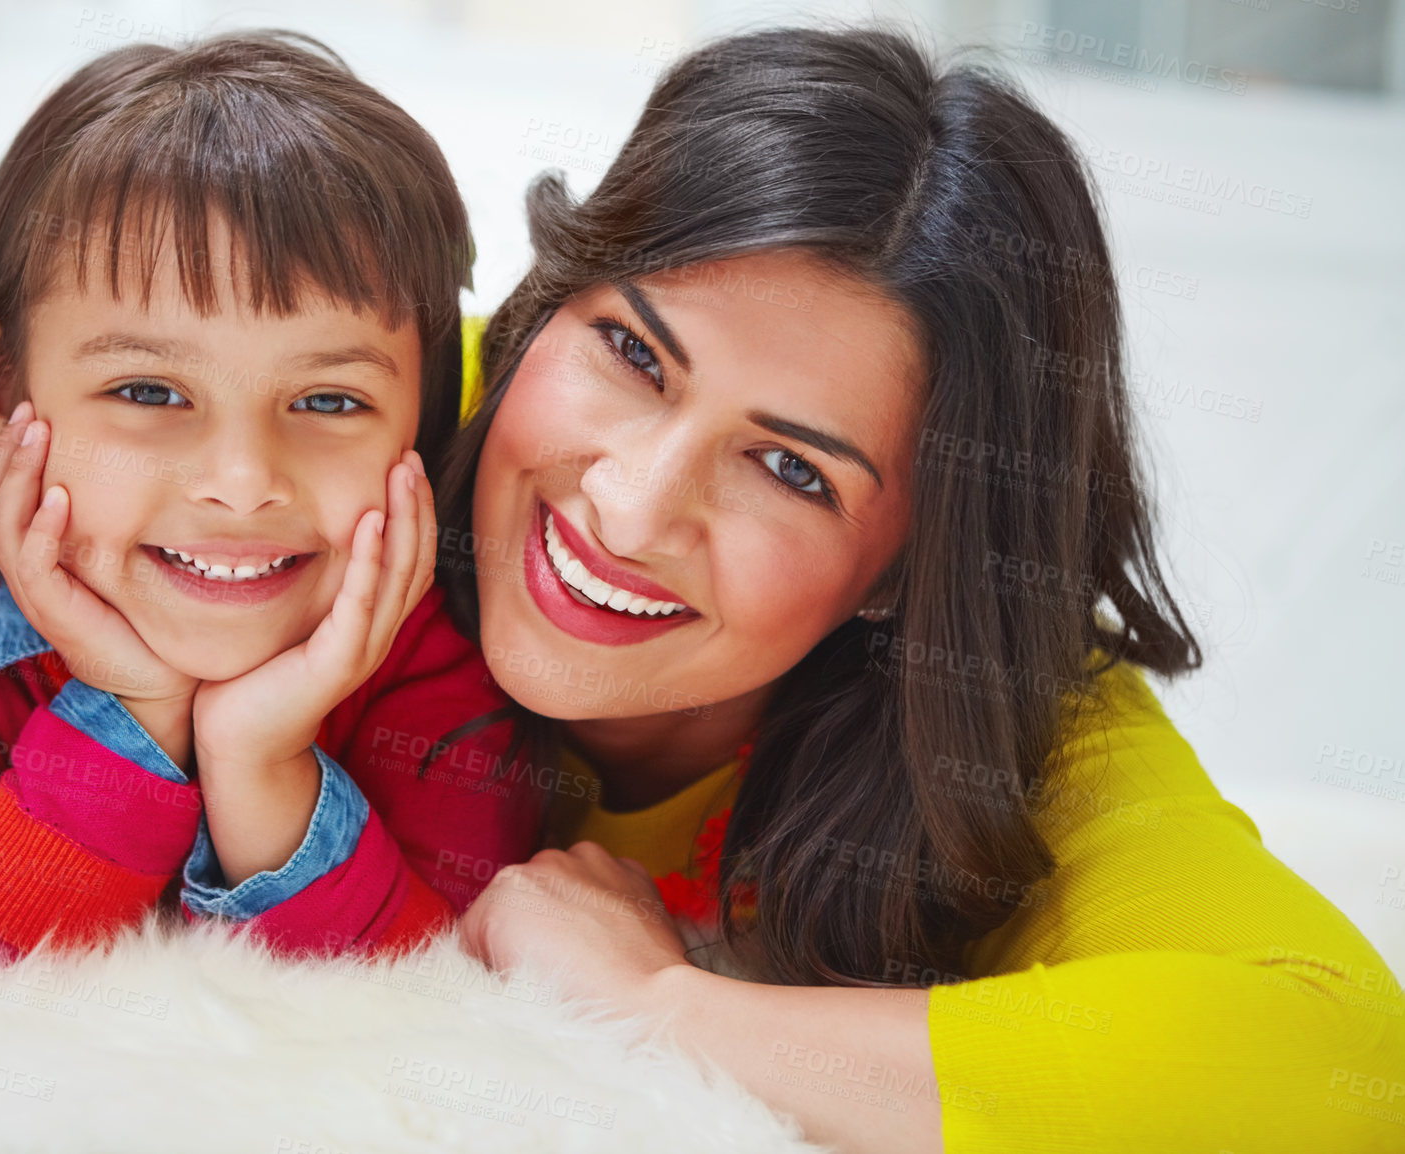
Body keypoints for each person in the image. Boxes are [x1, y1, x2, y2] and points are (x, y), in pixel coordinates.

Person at [440, 28, 1405, 1153]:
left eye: (791, 469)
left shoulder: (1003, 727)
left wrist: (667, 1005)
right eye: (631, 354)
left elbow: (1345, 1064)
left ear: (910, 565)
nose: (631, 508)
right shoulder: (347, 416)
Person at [0, 31, 546, 962]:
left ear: (417, 413)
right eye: (149, 393)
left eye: (329, 400)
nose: (243, 482)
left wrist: (262, 761)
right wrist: (132, 709)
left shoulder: (434, 598)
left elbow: (435, 990)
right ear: (7, 388)